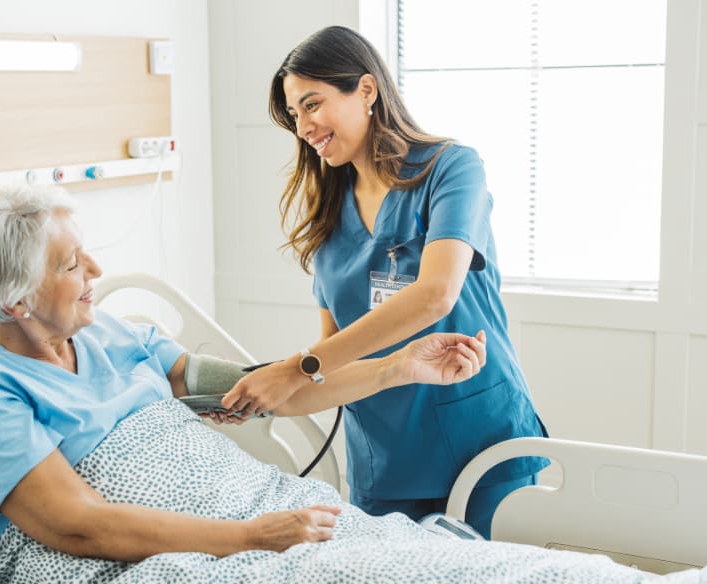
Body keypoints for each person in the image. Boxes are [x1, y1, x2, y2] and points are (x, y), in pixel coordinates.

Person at [0, 183, 486, 566]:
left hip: (241, 513)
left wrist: (400, 366)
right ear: (15, 301)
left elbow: (273, 390)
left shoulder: (115, 336)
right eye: (72, 264)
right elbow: (76, 524)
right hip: (158, 558)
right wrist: (249, 538)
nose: (97, 272)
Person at [220, 25, 549, 539]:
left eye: (312, 104)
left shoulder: (451, 169)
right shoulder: (327, 220)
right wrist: (259, 399)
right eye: (293, 113)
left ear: (367, 90)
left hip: (479, 443)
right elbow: (331, 368)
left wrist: (297, 368)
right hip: (385, 464)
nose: (302, 125)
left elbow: (435, 294)